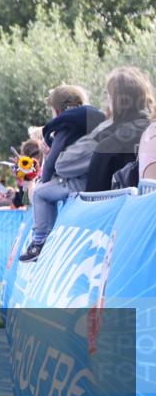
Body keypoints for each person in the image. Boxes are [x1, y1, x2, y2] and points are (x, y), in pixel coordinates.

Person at [20, 80, 128, 262]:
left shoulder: (66, 125)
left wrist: (44, 181)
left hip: (80, 182)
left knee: (40, 194)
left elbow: (52, 162)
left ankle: (39, 243)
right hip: (101, 179)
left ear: (58, 110)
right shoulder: (96, 120)